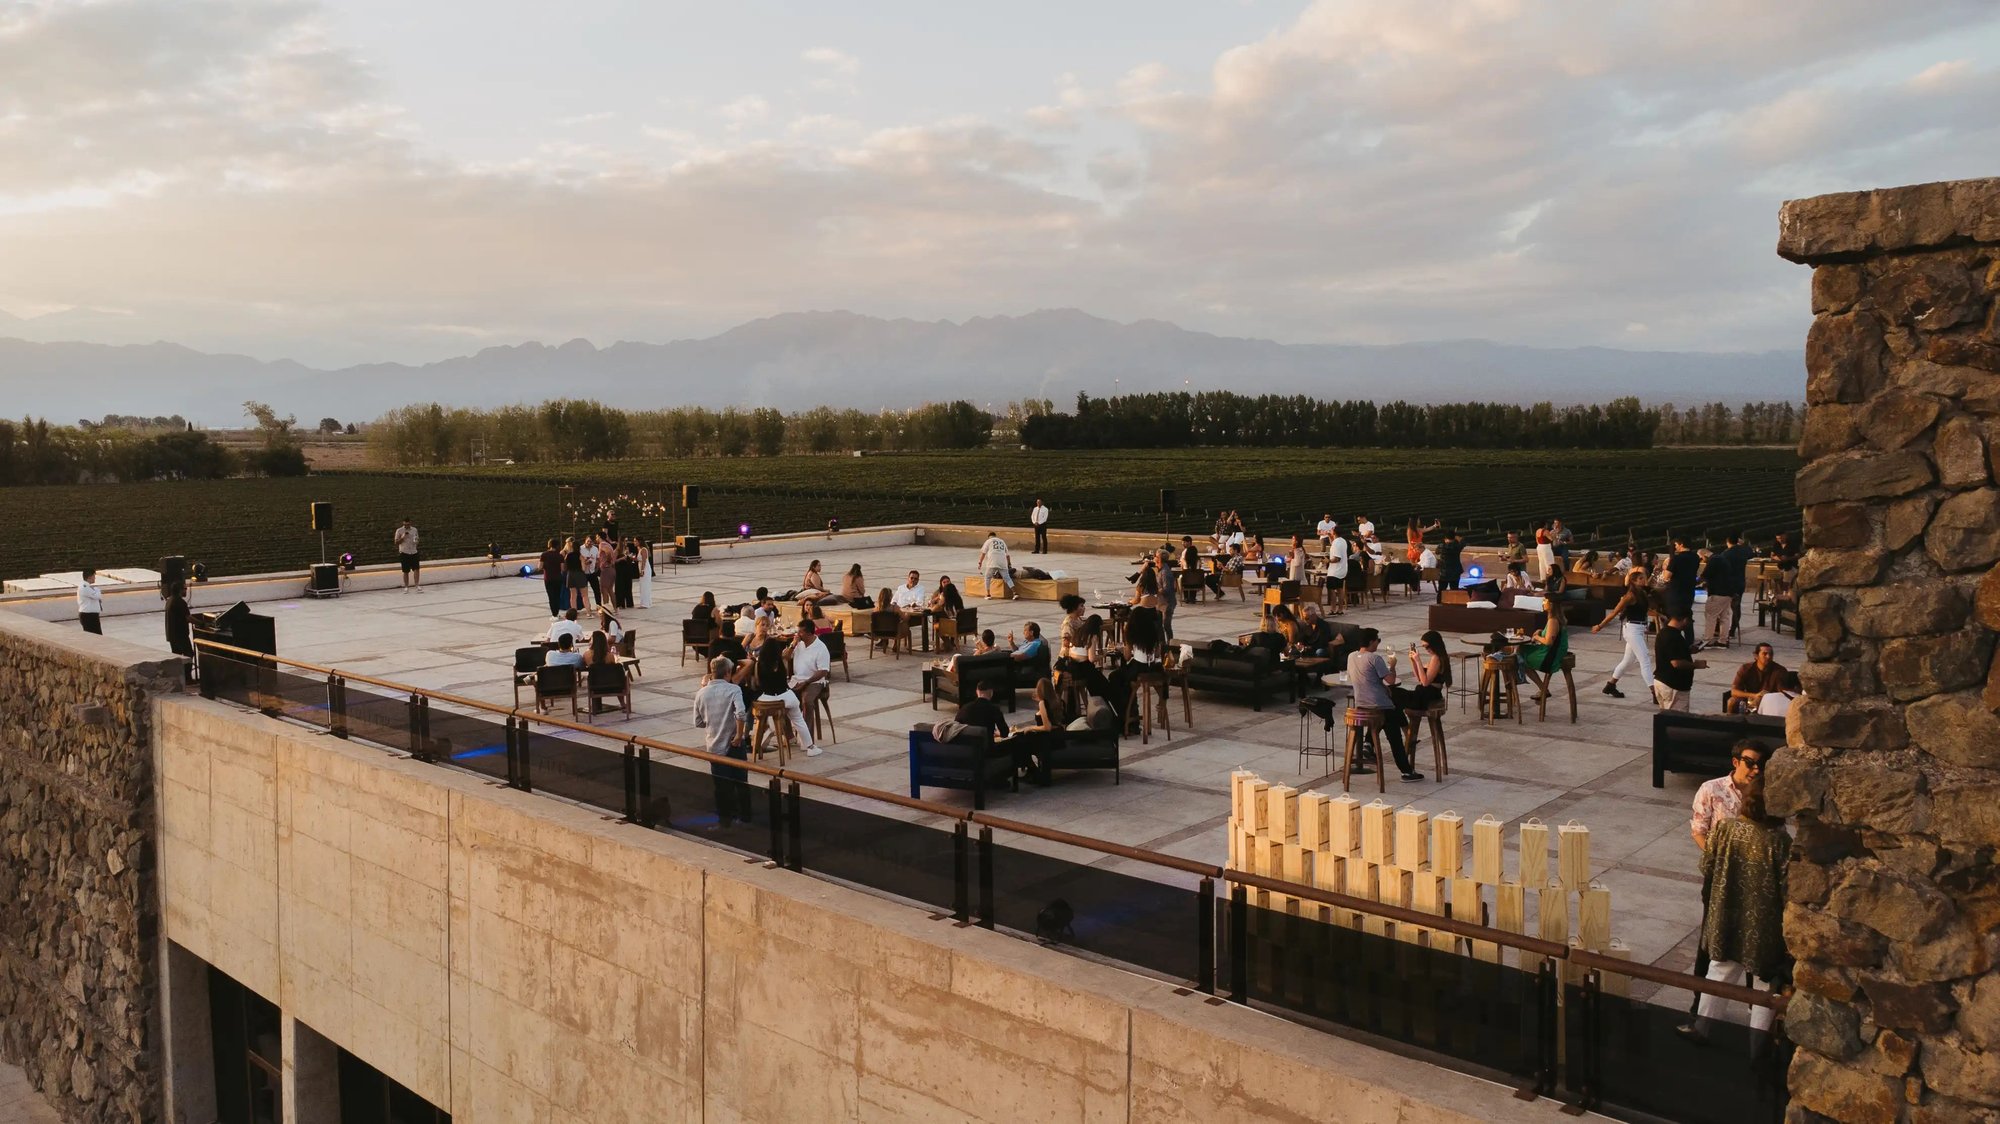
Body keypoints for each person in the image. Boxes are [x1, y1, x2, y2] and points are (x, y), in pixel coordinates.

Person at [1681, 773, 1788, 1044]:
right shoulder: (1780, 842)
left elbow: (1708, 865)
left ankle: (1702, 1028)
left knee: (1719, 971)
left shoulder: (1726, 830)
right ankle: (1757, 1048)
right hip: (1763, 925)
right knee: (1765, 985)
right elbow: (1788, 888)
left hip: (1727, 915)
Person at [1348, 629, 1423, 781]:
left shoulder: (1351, 656)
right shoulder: (1374, 659)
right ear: (1371, 642)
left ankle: (1369, 743)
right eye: (1377, 640)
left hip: (1361, 705)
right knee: (1394, 735)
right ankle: (1406, 770)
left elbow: (1368, 680)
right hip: (1379, 707)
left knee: (1395, 705)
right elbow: (1390, 680)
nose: (1378, 643)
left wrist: (1383, 688)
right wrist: (1393, 666)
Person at [693, 656, 754, 827]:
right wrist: (738, 735)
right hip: (735, 744)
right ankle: (745, 818)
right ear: (728, 672)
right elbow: (741, 714)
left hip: (715, 746)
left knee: (721, 786)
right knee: (741, 782)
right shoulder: (734, 690)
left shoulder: (701, 693)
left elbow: (698, 722)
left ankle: (725, 820)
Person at [1691, 739, 1766, 850]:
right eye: (1750, 763)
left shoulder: (1766, 791)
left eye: (1760, 764)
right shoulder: (1711, 789)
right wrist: (1715, 859)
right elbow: (1698, 831)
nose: (1756, 770)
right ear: (1735, 762)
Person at [754, 636, 820, 757]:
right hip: (784, 695)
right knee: (798, 720)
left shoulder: (759, 663)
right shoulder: (780, 662)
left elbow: (758, 682)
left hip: (767, 697)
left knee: (766, 713)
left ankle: (770, 728)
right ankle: (809, 746)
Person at [1593, 571, 1655, 699]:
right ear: (1633, 581)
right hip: (1632, 630)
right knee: (1645, 659)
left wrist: (1662, 616)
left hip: (1638, 628)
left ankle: (1610, 685)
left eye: (1644, 578)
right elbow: (1614, 612)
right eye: (1640, 578)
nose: (1644, 580)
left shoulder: (1642, 593)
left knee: (1627, 661)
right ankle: (1655, 693)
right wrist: (1600, 626)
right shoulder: (1630, 596)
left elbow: (1645, 609)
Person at [1514, 596, 1568, 696]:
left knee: (1520, 659)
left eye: (1545, 601)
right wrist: (1540, 631)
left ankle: (1542, 688)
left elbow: (1548, 642)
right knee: (1521, 650)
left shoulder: (1553, 620)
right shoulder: (1554, 619)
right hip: (1552, 650)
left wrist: (1537, 637)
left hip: (1551, 655)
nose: (1543, 603)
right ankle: (1541, 688)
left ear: (1551, 605)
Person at [1393, 631, 1452, 712]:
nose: (1426, 649)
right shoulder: (1435, 657)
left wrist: (1418, 661)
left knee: (1394, 694)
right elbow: (1419, 679)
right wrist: (1413, 661)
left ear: (1434, 644)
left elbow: (1425, 682)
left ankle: (1402, 724)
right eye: (1424, 647)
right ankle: (1402, 723)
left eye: (1427, 646)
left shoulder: (1436, 658)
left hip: (1428, 696)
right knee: (1395, 698)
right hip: (1424, 693)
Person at [787, 621, 832, 727]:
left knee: (807, 701)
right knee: (782, 701)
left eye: (800, 632)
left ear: (808, 633)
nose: (797, 635)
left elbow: (823, 671)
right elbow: (785, 657)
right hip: (796, 680)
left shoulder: (821, 647)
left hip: (815, 682)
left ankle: (807, 738)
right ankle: (790, 737)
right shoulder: (798, 644)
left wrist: (807, 682)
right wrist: (793, 645)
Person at [1653, 608, 1696, 711]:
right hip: (1673, 685)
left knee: (1665, 719)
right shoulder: (1674, 637)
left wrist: (1688, 650)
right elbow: (1676, 663)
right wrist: (1696, 665)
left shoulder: (1663, 633)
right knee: (1677, 721)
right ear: (1685, 620)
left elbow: (1670, 653)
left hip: (1661, 681)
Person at [1728, 643, 1790, 713]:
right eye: (1765, 654)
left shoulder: (1779, 671)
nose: (1768, 656)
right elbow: (1734, 691)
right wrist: (1755, 696)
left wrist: (1762, 697)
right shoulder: (1746, 668)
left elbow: (1782, 694)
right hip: (1750, 699)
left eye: (1771, 654)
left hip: (1770, 701)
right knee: (1731, 701)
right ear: (1756, 656)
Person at [1665, 532, 1701, 650]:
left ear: (1681, 544)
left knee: (1673, 616)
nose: (1675, 546)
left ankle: (1671, 641)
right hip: (1689, 591)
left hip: (1676, 592)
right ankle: (1689, 641)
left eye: (1676, 544)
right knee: (1687, 615)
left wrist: (1667, 567)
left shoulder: (1677, 558)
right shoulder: (1695, 557)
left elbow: (1667, 576)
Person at [977, 531, 1017, 599]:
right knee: (1007, 578)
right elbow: (1007, 555)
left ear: (989, 537)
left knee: (987, 577)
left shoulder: (988, 541)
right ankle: (1015, 593)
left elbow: (983, 553)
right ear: (995, 536)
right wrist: (1009, 564)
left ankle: (988, 595)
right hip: (1003, 562)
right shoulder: (1002, 541)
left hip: (992, 562)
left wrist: (980, 562)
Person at [164, 580, 194, 666]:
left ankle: (180, 676)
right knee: (189, 655)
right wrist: (201, 623)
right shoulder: (180, 602)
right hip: (180, 635)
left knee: (177, 657)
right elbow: (188, 618)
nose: (186, 591)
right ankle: (187, 676)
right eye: (185, 589)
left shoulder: (169, 600)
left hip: (172, 635)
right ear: (180, 590)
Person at [539, 538, 565, 617]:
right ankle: (556, 612)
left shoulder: (544, 554)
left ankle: (554, 614)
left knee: (551, 596)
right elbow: (563, 569)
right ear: (557, 545)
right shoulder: (560, 556)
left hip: (548, 578)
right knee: (557, 596)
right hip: (558, 578)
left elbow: (540, 567)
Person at [1436, 529, 1464, 602]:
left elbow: (1436, 552)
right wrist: (1458, 539)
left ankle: (1439, 604)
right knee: (1454, 590)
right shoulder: (1457, 546)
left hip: (1443, 572)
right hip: (1455, 571)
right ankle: (1454, 605)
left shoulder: (1441, 546)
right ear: (1454, 537)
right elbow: (1463, 542)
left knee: (1441, 590)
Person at [1326, 531, 1351, 613]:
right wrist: (1330, 536)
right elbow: (1333, 543)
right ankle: (1340, 609)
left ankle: (1333, 609)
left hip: (1334, 571)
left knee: (1331, 590)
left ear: (1334, 532)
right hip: (1342, 570)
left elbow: (1337, 558)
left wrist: (1328, 561)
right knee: (1340, 589)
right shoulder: (1343, 541)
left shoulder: (1336, 543)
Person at [394, 518, 422, 592]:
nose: (406, 526)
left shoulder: (414, 530)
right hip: (404, 552)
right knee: (405, 571)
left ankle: (417, 585)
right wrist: (402, 537)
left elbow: (417, 539)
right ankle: (406, 587)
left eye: (408, 524)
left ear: (410, 523)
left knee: (416, 569)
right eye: (405, 525)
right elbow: (396, 542)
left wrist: (416, 540)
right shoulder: (399, 530)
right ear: (403, 524)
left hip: (414, 551)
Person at [562, 536, 588, 612]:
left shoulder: (568, 556)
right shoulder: (580, 556)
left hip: (570, 575)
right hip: (579, 574)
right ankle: (588, 613)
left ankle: (574, 612)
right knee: (584, 595)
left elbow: (564, 567)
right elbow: (583, 568)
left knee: (573, 596)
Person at [76, 569, 103, 634]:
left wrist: (96, 590)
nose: (95, 578)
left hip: (92, 615)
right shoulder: (84, 587)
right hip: (88, 616)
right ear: (89, 577)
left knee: (97, 637)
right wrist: (97, 590)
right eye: (94, 576)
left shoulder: (88, 587)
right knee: (94, 637)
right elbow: (97, 596)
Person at [579, 534, 602, 607]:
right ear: (585, 541)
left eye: (591, 542)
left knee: (597, 590)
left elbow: (598, 559)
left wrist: (597, 568)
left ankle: (599, 605)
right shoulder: (580, 549)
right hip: (583, 573)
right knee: (584, 592)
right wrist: (585, 563)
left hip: (592, 572)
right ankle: (586, 606)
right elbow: (578, 561)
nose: (589, 543)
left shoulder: (595, 549)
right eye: (588, 541)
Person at [636, 539, 653, 609]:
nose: (634, 542)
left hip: (645, 569)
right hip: (641, 567)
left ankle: (645, 604)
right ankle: (646, 602)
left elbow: (644, 561)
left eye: (635, 541)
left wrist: (642, 570)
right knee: (642, 585)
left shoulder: (643, 549)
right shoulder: (639, 549)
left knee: (644, 586)